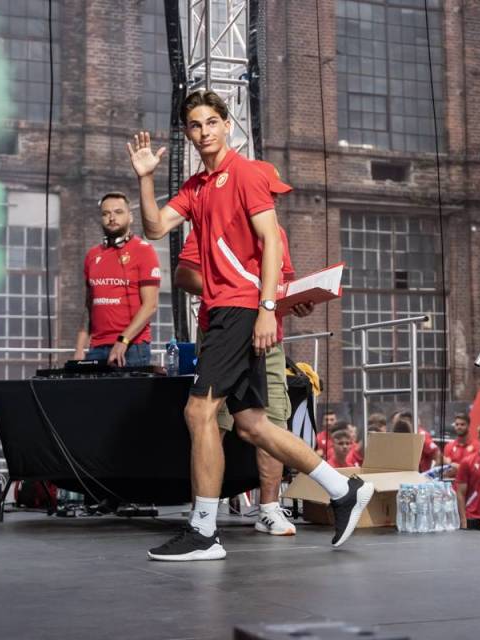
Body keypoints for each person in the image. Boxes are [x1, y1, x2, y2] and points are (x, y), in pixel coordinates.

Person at [128, 89, 374, 560]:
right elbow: (156, 227)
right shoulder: (197, 187)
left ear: (227, 125)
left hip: (239, 309)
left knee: (198, 413)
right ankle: (343, 489)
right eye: (195, 125)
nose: (204, 132)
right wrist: (145, 178)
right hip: (226, 311)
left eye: (211, 122)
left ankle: (203, 532)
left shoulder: (245, 173)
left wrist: (266, 308)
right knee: (253, 425)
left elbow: (271, 242)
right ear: (187, 134)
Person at [174, 165, 313, 536]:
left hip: (267, 338)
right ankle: (202, 516)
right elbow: (184, 274)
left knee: (271, 418)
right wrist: (231, 293)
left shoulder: (276, 233)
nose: (274, 199)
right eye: (269, 192)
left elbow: (279, 287)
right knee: (209, 419)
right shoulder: (214, 221)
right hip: (223, 331)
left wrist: (296, 302)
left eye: (276, 194)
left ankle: (270, 508)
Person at [73, 192, 160, 367]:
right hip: (96, 347)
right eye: (106, 214)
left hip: (132, 347)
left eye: (118, 212)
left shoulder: (144, 251)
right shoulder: (92, 255)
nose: (112, 218)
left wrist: (123, 340)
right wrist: (79, 348)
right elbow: (89, 307)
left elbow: (150, 305)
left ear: (130, 217)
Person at [443, 413, 475, 478]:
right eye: (457, 424)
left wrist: (458, 468)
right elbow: (445, 470)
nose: (459, 427)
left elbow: (477, 470)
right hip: (451, 483)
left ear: (468, 425)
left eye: (462, 424)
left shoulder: (477, 446)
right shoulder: (448, 446)